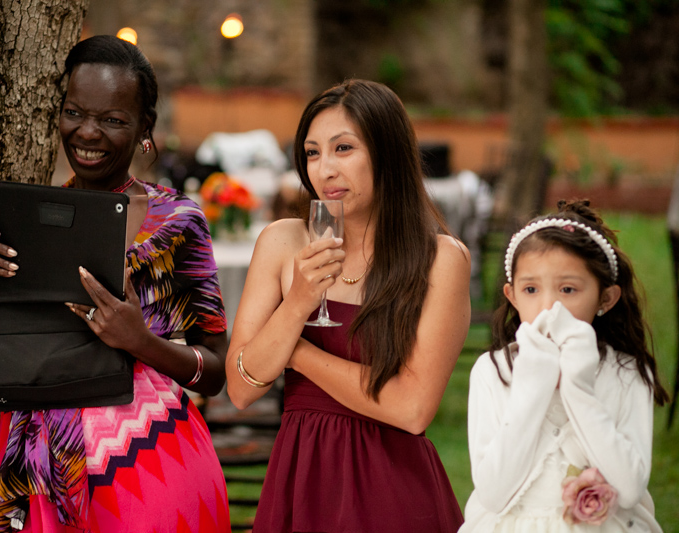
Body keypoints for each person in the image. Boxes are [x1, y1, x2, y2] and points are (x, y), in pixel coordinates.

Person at [0, 35, 231, 533]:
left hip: (150, 470)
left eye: (113, 119)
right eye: (74, 112)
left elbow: (215, 372)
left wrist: (140, 342)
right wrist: (1, 291)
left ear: (144, 128)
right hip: (38, 472)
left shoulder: (178, 221)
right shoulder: (29, 223)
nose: (88, 132)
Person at [225, 79, 470, 532]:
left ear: (387, 153)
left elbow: (412, 409)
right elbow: (241, 389)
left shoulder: (440, 260)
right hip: (301, 479)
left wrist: (297, 352)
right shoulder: (282, 242)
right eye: (312, 153)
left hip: (393, 491)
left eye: (343, 148)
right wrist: (297, 304)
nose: (325, 169)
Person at [460, 200, 669, 532]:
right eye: (531, 289)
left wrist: (577, 388)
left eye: (568, 289)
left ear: (605, 298)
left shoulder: (626, 373)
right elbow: (493, 493)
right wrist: (533, 388)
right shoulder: (492, 371)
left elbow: (630, 489)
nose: (549, 308)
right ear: (512, 296)